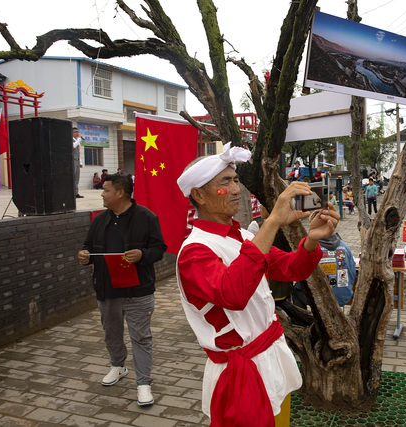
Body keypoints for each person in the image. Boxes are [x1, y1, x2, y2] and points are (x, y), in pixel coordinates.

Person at [174, 143, 340, 425]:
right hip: (242, 373)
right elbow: (233, 293)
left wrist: (312, 239)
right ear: (199, 195)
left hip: (272, 357)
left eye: (236, 180)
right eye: (225, 181)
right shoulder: (194, 251)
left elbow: (291, 268)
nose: (237, 189)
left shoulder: (241, 236)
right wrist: (273, 221)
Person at [77, 174, 166, 406]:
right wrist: (84, 256)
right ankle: (118, 366)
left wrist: (142, 255)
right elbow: (88, 246)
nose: (102, 194)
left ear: (120, 193)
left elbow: (159, 248)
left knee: (141, 336)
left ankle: (144, 383)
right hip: (107, 288)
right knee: (111, 332)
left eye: (106, 190)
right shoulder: (99, 219)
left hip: (138, 289)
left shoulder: (146, 217)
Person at [294, 230, 356, 308]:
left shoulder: (310, 248)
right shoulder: (345, 246)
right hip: (343, 297)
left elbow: (300, 279)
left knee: (295, 291)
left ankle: (302, 319)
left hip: (318, 299)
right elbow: (352, 273)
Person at [73, 127, 84, 198]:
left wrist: (80, 162)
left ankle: (76, 193)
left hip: (77, 160)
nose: (77, 133)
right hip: (72, 160)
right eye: (75, 132)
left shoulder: (77, 141)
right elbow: (73, 146)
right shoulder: (71, 139)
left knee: (77, 177)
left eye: (77, 131)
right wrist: (79, 139)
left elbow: (78, 152)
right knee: (73, 176)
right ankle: (72, 192)